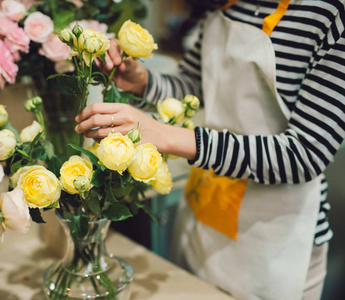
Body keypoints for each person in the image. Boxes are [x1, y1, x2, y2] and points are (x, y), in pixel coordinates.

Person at [74, 0, 345, 299]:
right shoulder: (222, 4)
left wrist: (166, 135)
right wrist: (143, 82)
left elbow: (305, 155)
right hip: (208, 211)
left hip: (278, 235)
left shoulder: (328, 15)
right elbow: (194, 83)